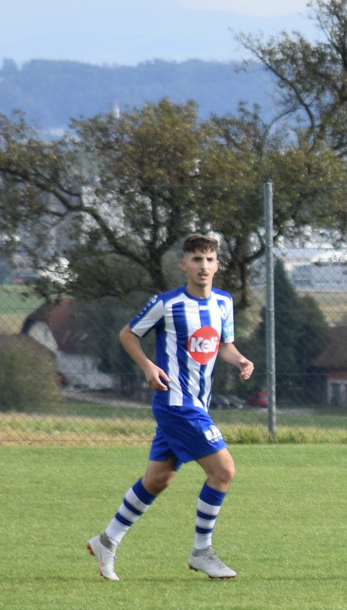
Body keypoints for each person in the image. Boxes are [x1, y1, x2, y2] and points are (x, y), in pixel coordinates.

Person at [86, 234, 253, 580]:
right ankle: (202, 551)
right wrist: (148, 366)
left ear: (217, 265)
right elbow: (128, 334)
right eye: (196, 259)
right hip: (175, 403)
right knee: (223, 471)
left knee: (158, 479)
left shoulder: (223, 302)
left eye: (209, 260)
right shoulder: (167, 303)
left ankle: (107, 540)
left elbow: (224, 345)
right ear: (183, 265)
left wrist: (240, 360)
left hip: (198, 404)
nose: (203, 266)